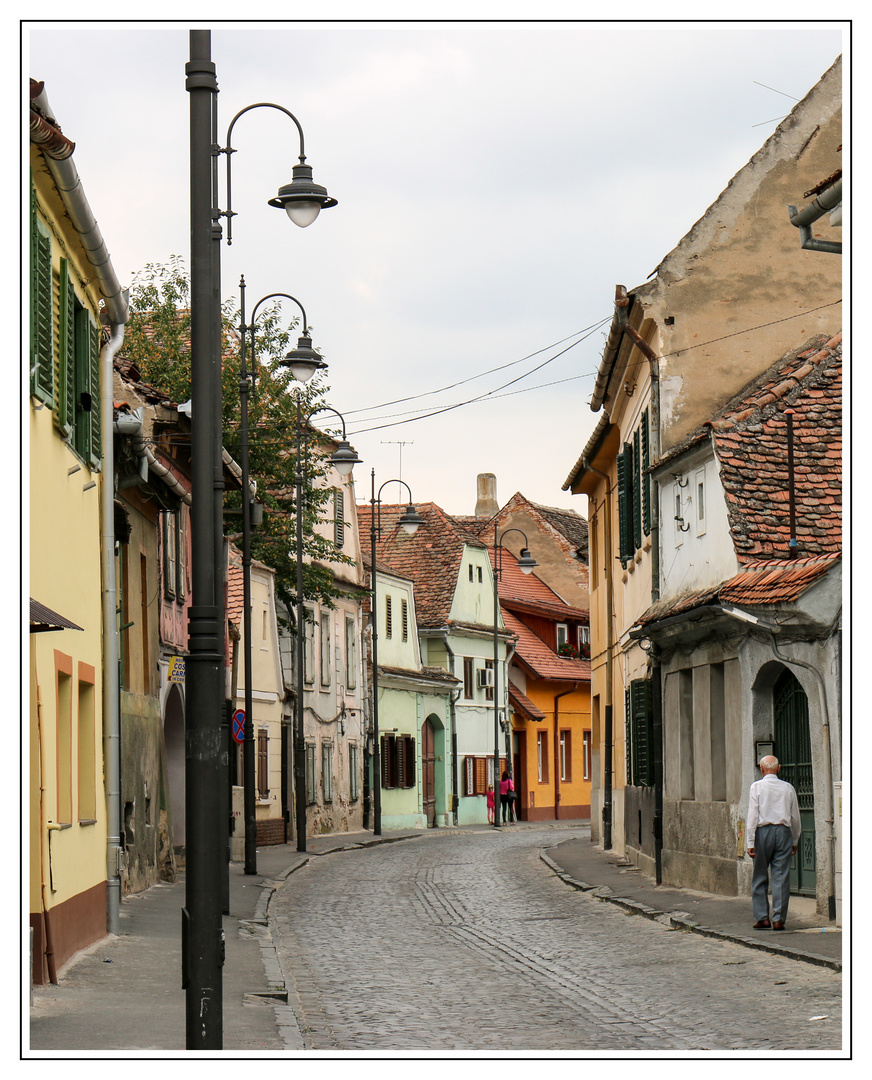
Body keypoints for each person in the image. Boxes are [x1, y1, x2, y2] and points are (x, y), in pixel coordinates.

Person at [746, 755, 801, 931]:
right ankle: (779, 919)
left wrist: (750, 841)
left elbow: (752, 815)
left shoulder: (756, 787)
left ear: (762, 769)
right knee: (781, 876)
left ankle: (762, 917)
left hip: (763, 832)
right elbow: (795, 816)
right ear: (779, 768)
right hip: (783, 831)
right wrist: (794, 838)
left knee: (760, 875)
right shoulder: (788, 788)